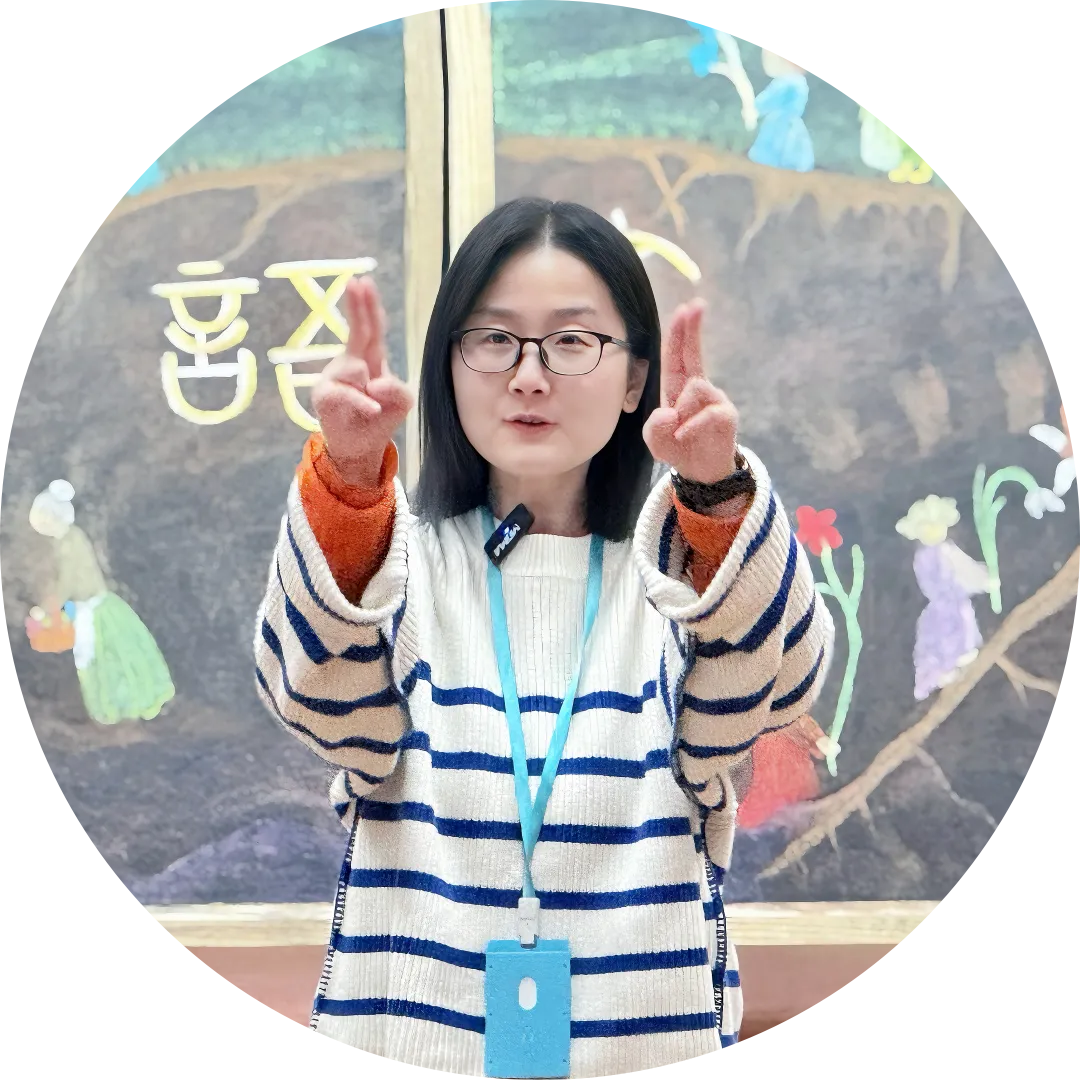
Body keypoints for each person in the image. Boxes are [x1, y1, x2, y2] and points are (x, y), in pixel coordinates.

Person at [254, 198, 834, 1075]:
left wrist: (715, 495)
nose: (529, 376)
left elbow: (777, 685)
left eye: (571, 341)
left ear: (636, 380)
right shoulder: (396, 565)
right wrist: (348, 479)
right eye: (494, 339)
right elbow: (317, 702)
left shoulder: (677, 583)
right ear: (450, 366)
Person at [27, 480, 174, 723]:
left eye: (44, 519)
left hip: (92, 609)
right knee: (114, 654)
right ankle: (120, 706)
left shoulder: (69, 543)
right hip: (95, 604)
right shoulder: (71, 538)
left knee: (99, 657)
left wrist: (45, 610)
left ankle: (113, 707)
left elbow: (68, 582)